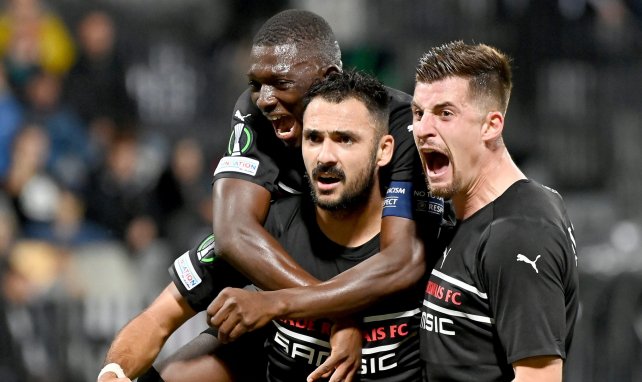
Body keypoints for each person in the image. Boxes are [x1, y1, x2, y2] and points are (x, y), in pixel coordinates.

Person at [97, 70, 441, 382]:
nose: (325, 156)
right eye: (314, 138)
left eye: (345, 139)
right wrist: (113, 373)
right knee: (180, 374)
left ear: (383, 151)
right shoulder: (266, 234)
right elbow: (158, 317)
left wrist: (276, 303)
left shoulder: (431, 243)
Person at [410, 41, 579, 381]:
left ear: (491, 125)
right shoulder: (464, 211)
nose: (423, 129)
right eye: (418, 113)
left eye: (445, 113)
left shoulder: (519, 232)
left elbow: (539, 378)